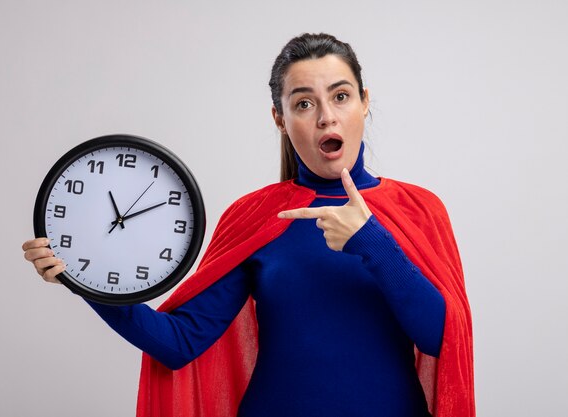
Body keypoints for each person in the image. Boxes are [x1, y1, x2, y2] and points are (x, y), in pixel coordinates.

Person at [23, 33, 474, 417]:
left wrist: (371, 241)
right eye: (303, 103)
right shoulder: (255, 216)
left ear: (364, 101)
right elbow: (180, 342)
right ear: (280, 119)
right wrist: (82, 281)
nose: (326, 117)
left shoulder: (419, 208)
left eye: (340, 96)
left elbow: (442, 338)